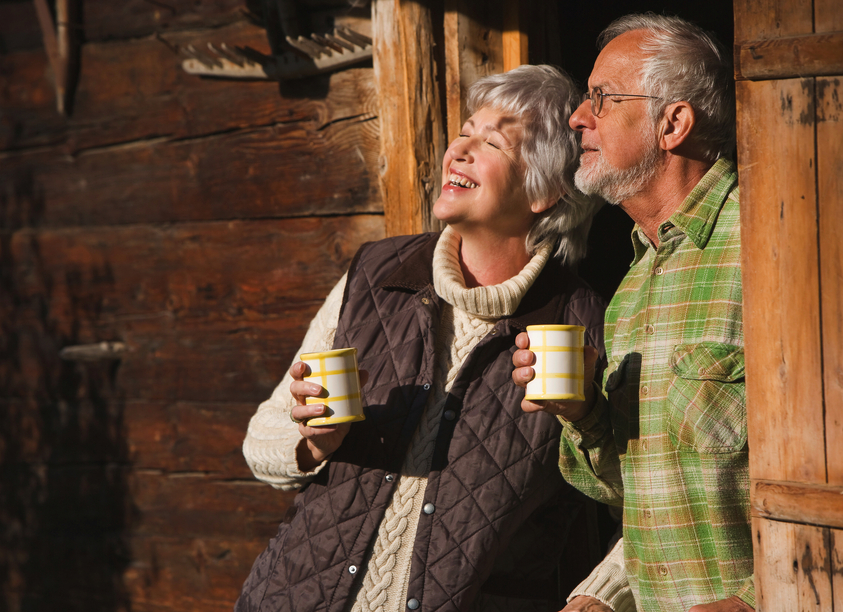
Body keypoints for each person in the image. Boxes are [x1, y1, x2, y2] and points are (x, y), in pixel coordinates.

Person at [235, 64, 610, 612]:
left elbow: (637, 495)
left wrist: (596, 597)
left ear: (544, 192)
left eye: (491, 142)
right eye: (463, 131)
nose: (459, 149)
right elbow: (259, 442)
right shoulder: (376, 273)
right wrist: (311, 441)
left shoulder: (585, 323)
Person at [512, 14, 753, 612]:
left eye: (601, 98)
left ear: (673, 123)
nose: (577, 117)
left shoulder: (771, 243)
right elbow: (641, 497)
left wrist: (755, 600)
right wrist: (585, 411)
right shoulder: (634, 280)